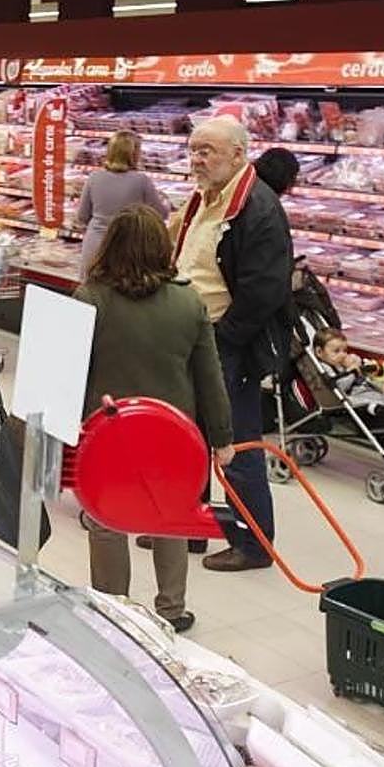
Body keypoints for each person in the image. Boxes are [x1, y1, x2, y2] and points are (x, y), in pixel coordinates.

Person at [75, 205, 234, 633]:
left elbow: (71, 372)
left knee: (106, 520)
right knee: (171, 516)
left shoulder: (90, 298)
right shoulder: (189, 301)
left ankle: (114, 609)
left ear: (111, 246)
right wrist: (222, 438)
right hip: (173, 432)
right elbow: (209, 376)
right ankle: (171, 610)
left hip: (108, 431)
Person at [170, 115, 292, 572]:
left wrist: (223, 341)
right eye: (193, 150)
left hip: (228, 343)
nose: (197, 159)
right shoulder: (206, 196)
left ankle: (254, 545)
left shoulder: (258, 208)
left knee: (236, 443)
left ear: (239, 155)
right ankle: (191, 527)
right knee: (190, 436)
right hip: (192, 336)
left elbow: (264, 291)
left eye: (207, 151)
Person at [75, 129, 169, 276]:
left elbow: (82, 216)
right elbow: (160, 215)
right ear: (134, 154)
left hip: (95, 245)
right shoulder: (141, 180)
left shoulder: (94, 177)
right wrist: (166, 201)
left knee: (92, 286)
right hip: (128, 247)